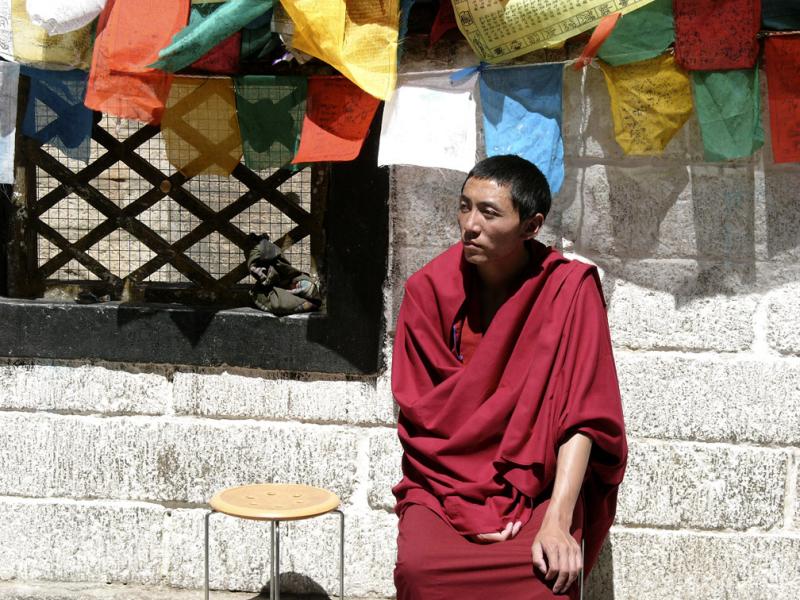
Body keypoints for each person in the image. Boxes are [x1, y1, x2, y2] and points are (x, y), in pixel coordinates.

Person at [391, 155, 627, 599]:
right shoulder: (428, 291)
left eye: (489, 212)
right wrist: (466, 507)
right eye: (465, 206)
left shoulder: (569, 290)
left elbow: (584, 417)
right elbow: (421, 415)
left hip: (536, 484)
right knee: (421, 572)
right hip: (443, 482)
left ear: (531, 226)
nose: (470, 225)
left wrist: (557, 519)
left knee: (545, 572)